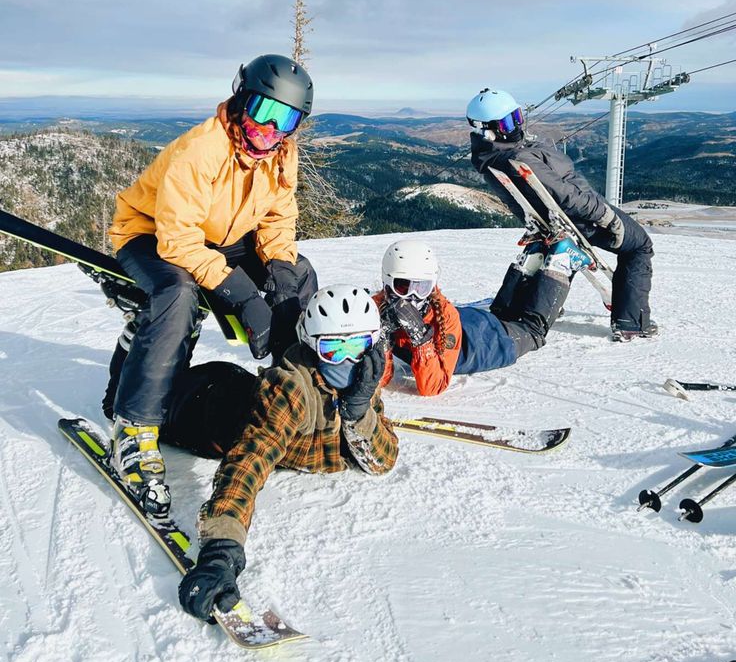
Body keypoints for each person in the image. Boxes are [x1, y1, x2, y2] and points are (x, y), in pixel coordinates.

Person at [104, 54, 318, 514]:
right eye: (265, 112)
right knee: (178, 295)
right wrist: (239, 294)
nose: (271, 130)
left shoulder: (281, 154)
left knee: (298, 275)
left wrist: (279, 271)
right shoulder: (200, 152)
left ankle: (293, 388)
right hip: (150, 235)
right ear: (242, 101)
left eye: (288, 120)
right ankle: (134, 427)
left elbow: (278, 220)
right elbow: (178, 241)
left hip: (220, 237)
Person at [174, 285, 398, 624]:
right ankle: (145, 336)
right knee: (129, 398)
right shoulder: (291, 388)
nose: (348, 359)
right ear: (311, 344)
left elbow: (383, 459)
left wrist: (358, 411)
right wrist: (221, 549)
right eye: (332, 348)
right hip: (195, 410)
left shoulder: (360, 382)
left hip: (234, 384)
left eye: (358, 345)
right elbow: (250, 458)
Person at [466, 87, 657, 343]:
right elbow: (567, 196)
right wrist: (606, 216)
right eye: (507, 122)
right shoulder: (520, 158)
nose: (517, 125)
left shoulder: (490, 157)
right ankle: (631, 321)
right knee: (640, 245)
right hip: (582, 220)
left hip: (552, 221)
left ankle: (522, 303)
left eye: (517, 117)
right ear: (488, 129)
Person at [376, 238, 565, 396]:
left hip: (489, 344)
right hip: (475, 321)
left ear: (432, 286)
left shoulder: (444, 314)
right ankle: (532, 257)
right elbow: (381, 379)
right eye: (402, 286)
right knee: (504, 314)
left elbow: (431, 387)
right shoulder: (376, 309)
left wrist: (421, 339)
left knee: (533, 331)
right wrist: (381, 341)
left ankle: (561, 265)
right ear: (387, 284)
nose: (413, 296)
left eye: (422, 287)